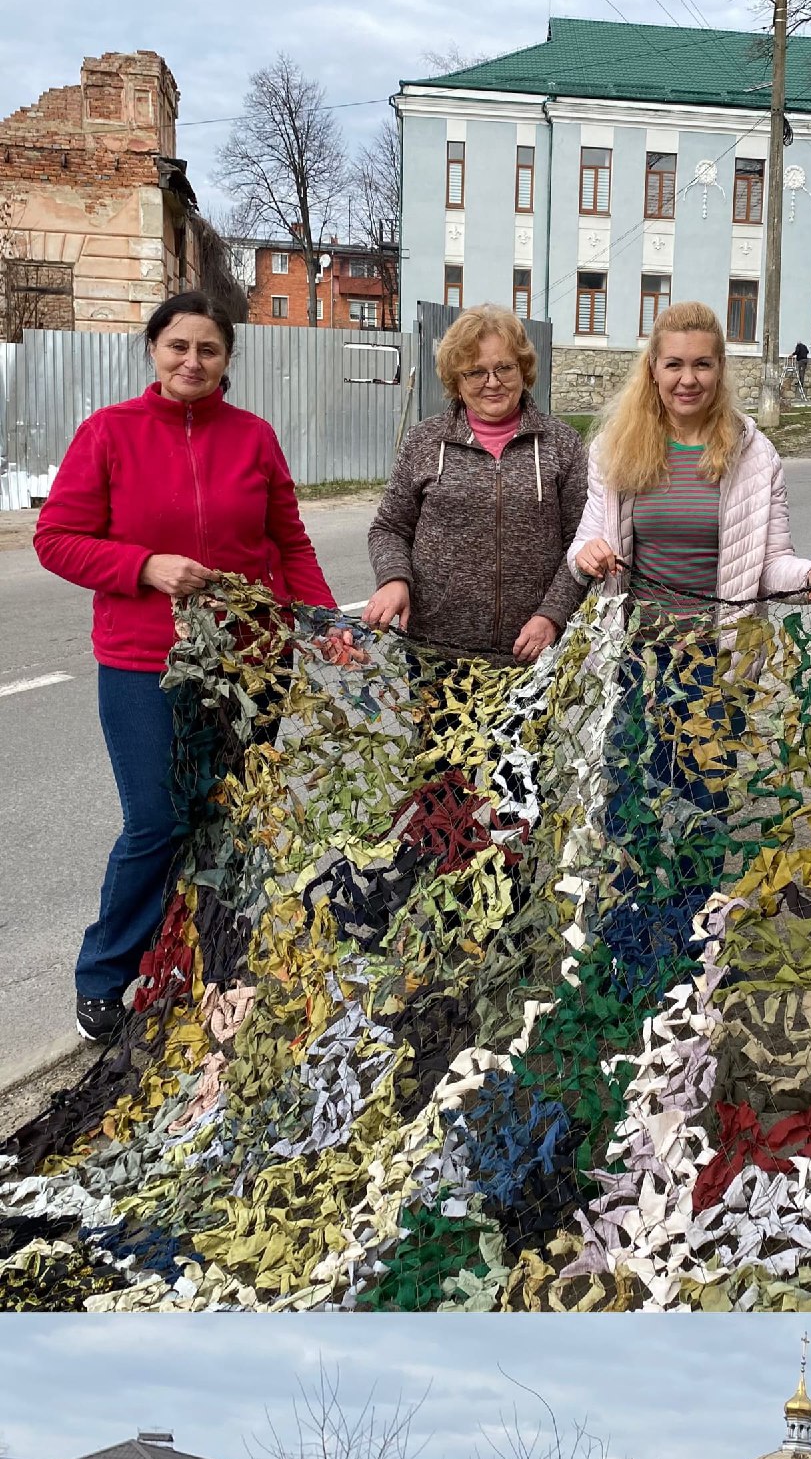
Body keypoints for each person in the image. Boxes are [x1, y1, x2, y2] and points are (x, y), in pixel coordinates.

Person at [34, 291, 337, 1046]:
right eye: (178, 347)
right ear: (153, 351)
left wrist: (325, 623)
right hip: (144, 663)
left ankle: (216, 962)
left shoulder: (254, 438)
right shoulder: (109, 434)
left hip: (250, 664)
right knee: (157, 819)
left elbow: (290, 544)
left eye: (208, 350)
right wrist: (145, 566)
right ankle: (105, 974)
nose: (192, 362)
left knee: (233, 818)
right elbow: (57, 539)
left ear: (227, 359)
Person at [570, 302, 811, 626]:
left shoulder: (756, 456)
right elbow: (583, 546)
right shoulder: (614, 449)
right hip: (631, 658)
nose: (688, 379)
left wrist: (810, 574)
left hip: (720, 658)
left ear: (720, 367)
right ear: (653, 370)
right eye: (673, 365)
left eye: (702, 364)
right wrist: (586, 556)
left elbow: (770, 564)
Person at [361, 304, 589, 662]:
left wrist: (552, 615)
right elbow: (389, 528)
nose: (493, 382)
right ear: (457, 379)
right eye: (476, 372)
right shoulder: (424, 441)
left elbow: (580, 545)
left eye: (504, 368)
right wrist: (393, 579)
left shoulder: (562, 444)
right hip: (436, 652)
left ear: (523, 368)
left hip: (531, 653)